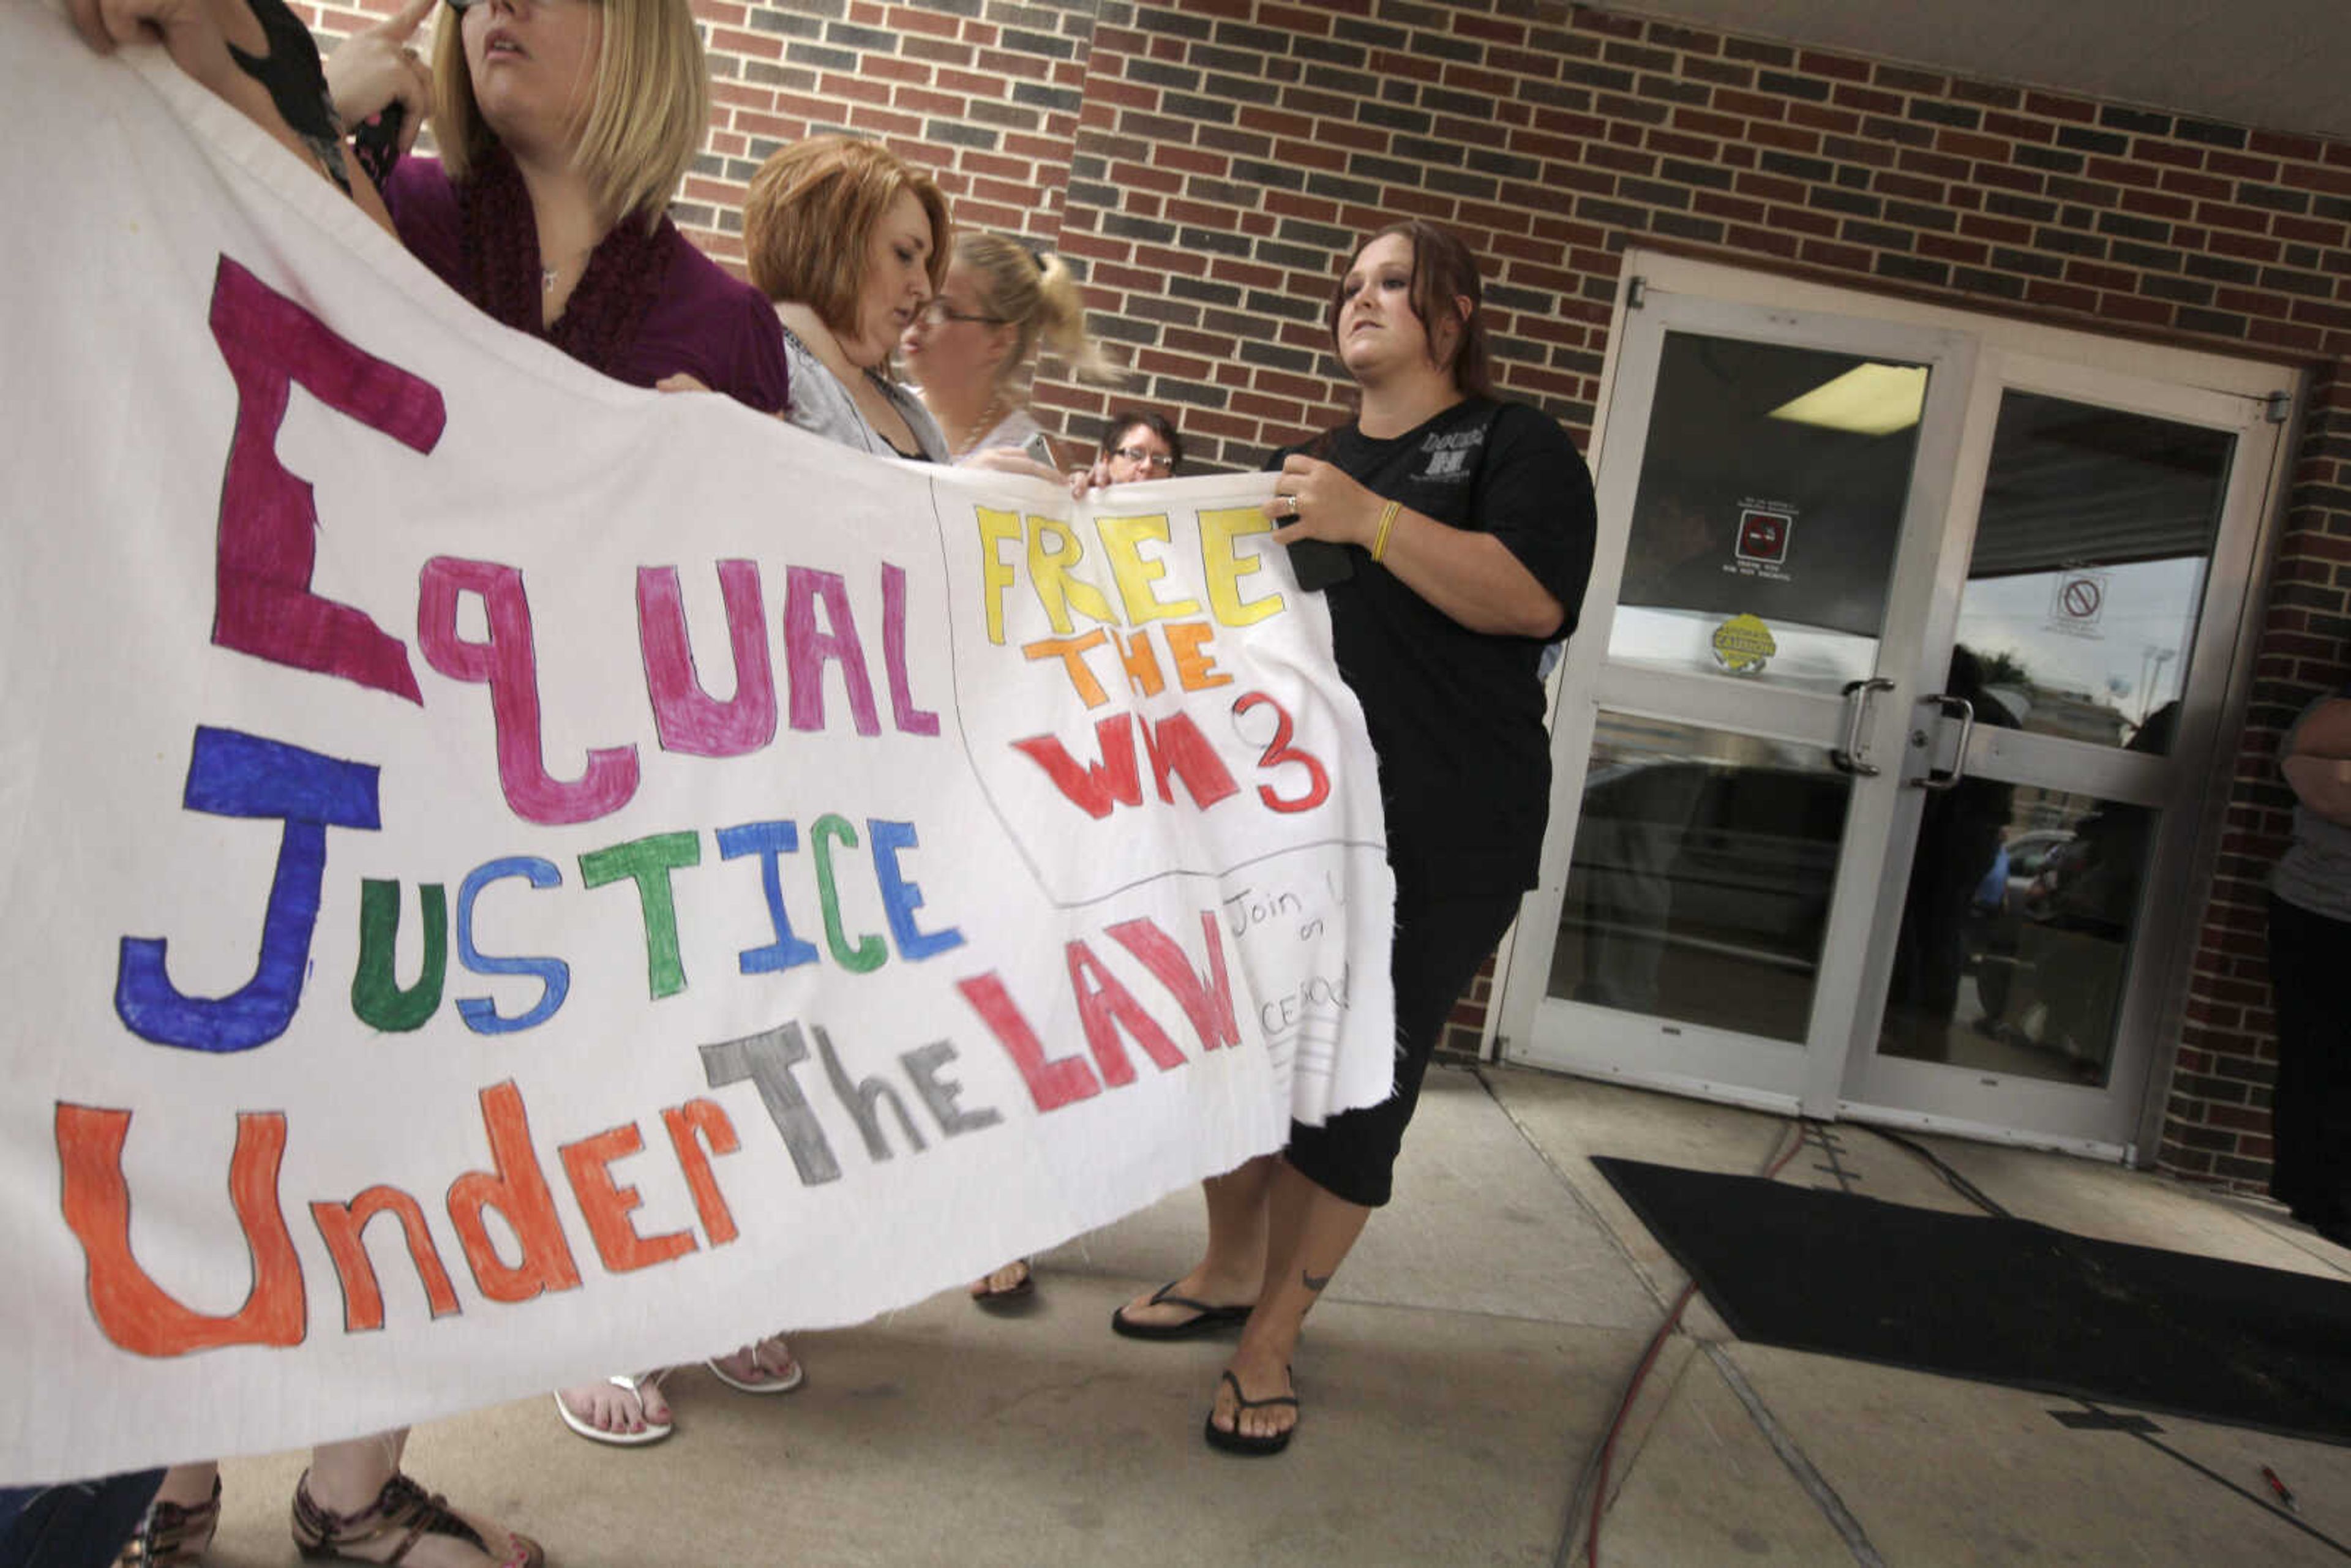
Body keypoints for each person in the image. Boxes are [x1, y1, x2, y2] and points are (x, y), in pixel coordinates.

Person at [64, 0, 553, 1561]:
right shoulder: (369, 156)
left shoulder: (338, 118)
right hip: (171, 670)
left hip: (346, 732)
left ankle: (221, 1485)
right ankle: (164, 1474)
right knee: (161, 1105)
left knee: (336, 1112)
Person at [1110, 220, 1595, 1455]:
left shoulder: (1515, 444)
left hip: (1449, 825)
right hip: (1295, 821)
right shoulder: (1306, 463)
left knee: (1356, 1081)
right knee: (1246, 1046)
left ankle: (1271, 1335)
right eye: (1350, 284)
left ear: (1457, 311)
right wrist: (1107, 524)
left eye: (1392, 281)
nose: (1359, 298)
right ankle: (1226, 1268)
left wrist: (1368, 519)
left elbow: (1532, 597)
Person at [373, 0, 789, 411]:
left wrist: (726, 470)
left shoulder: (731, 331)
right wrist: (313, 128)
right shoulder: (377, 203)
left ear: (639, 23)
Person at [743, 135, 952, 461]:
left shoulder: (912, 411)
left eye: (926, 264)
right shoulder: (761, 364)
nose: (924, 288)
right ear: (832, 248)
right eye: (904, 254)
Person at [898, 231, 1116, 469]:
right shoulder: (875, 406)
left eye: (942, 309)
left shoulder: (1033, 453)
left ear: (999, 342)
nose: (918, 317)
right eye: (920, 298)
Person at [2267, 687, 2351, 1248]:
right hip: (2334, 908)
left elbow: (2293, 770)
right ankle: (2334, 1199)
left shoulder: (2320, 714)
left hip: (2298, 900)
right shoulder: (2332, 716)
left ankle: (2304, 1185)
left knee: (2306, 1049)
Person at [1071, 409, 1183, 494]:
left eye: (1160, 460)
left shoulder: (1182, 520)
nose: (1148, 466)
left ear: (1169, 476)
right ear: (1107, 459)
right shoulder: (1085, 498)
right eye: (1135, 454)